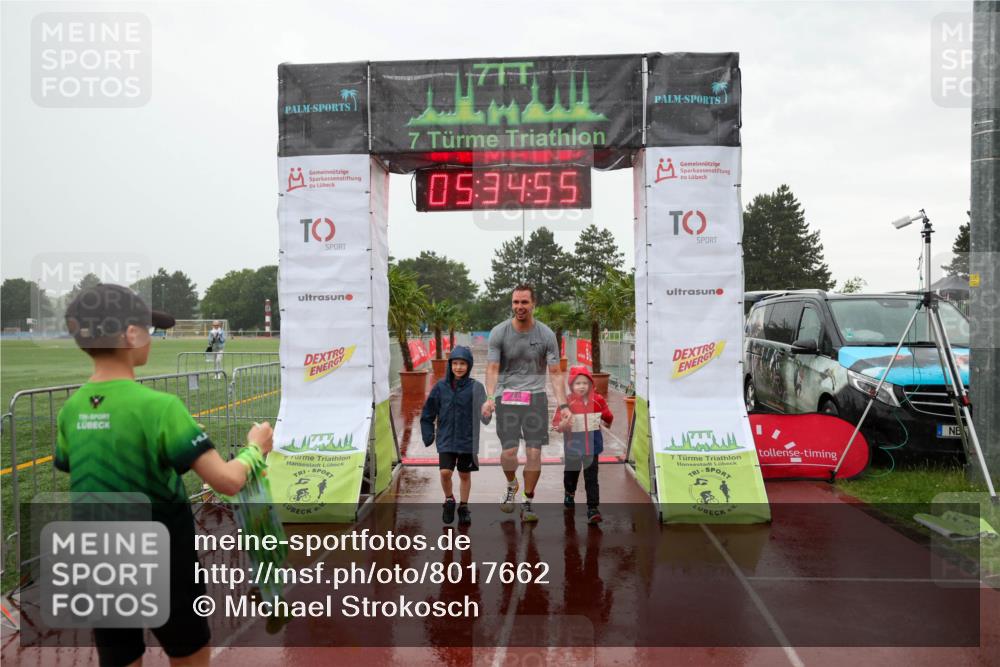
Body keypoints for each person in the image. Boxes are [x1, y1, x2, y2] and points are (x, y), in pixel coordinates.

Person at [56, 284, 273, 667]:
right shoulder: (161, 408)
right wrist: (257, 447)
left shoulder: (70, 410)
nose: (152, 337)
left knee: (119, 655)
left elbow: (78, 465)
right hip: (164, 555)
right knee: (188, 650)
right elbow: (228, 481)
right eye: (147, 329)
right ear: (130, 335)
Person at [481, 285, 569, 522]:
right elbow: (492, 368)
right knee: (509, 452)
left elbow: (555, 372)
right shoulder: (499, 332)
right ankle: (512, 485)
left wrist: (563, 406)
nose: (519, 307)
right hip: (506, 397)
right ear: (511, 304)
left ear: (533, 305)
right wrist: (490, 397)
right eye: (515, 302)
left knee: (533, 453)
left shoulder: (546, 335)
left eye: (524, 302)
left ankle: (528, 501)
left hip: (535, 398)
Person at [421, 346, 490, 525]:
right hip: (446, 438)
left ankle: (464, 506)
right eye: (455, 363)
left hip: (467, 439)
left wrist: (487, 412)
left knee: (464, 475)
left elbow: (485, 419)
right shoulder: (440, 387)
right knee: (445, 473)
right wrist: (428, 434)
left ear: (469, 366)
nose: (459, 367)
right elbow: (427, 413)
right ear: (450, 364)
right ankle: (449, 499)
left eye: (463, 364)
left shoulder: (476, 387)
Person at [554, 366, 613, 524]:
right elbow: (556, 425)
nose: (581, 386)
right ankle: (569, 492)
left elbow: (608, 416)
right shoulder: (567, 402)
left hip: (592, 447)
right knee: (571, 474)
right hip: (572, 447)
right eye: (577, 383)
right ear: (571, 385)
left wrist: (608, 423)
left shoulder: (598, 400)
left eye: (585, 383)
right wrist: (563, 424)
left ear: (591, 384)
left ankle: (593, 508)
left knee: (591, 478)